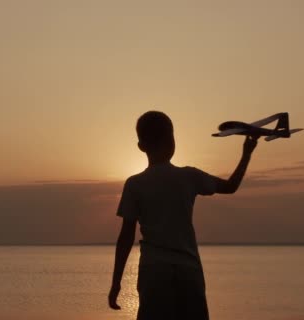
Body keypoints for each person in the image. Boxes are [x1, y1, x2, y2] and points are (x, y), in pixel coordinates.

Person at [108, 111, 259, 320]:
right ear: (172, 141)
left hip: (154, 270)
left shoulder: (135, 184)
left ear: (141, 146)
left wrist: (116, 282)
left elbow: (126, 236)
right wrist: (247, 154)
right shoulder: (189, 177)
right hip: (188, 269)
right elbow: (231, 186)